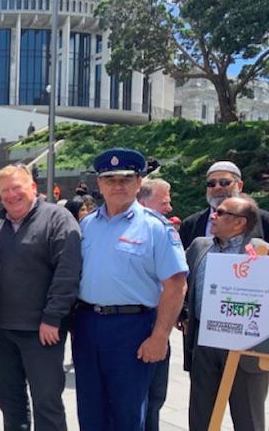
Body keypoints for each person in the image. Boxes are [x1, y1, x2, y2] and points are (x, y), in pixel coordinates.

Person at [73, 148, 188, 430]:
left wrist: (160, 337)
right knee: (90, 410)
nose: (118, 186)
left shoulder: (155, 228)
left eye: (126, 179)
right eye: (110, 179)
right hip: (87, 324)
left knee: (128, 413)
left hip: (132, 328)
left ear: (139, 183)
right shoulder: (87, 225)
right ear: (99, 184)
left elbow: (175, 285)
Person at [0, 165, 81, 431]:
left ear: (33, 188)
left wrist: (53, 317)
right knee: (10, 403)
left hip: (41, 332)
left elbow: (68, 271)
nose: (11, 195)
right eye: (5, 190)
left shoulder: (58, 219)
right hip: (2, 331)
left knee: (46, 404)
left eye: (17, 187)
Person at [183, 195, 269, 431]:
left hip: (246, 348)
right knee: (201, 418)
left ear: (240, 222)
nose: (213, 215)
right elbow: (182, 283)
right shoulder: (200, 246)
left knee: (248, 420)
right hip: (204, 344)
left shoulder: (262, 254)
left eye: (221, 213)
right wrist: (183, 314)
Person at [136, 177, 174, 431]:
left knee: (155, 399)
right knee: (139, 399)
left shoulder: (165, 231)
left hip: (159, 328)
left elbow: (177, 283)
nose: (169, 208)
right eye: (165, 203)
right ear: (144, 203)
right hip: (138, 326)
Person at [179, 161, 269, 249]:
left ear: (239, 186)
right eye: (211, 184)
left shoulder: (264, 220)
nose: (217, 187)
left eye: (224, 182)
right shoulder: (190, 225)